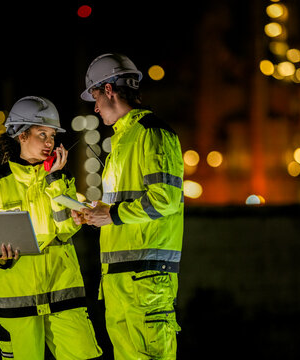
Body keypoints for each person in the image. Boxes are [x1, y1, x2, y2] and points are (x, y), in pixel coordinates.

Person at [0, 96, 102, 360]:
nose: (50, 141)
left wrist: (55, 179)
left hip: (63, 294)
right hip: (17, 301)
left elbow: (65, 230)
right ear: (21, 135)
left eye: (52, 135)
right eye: (42, 133)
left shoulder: (60, 179)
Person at [72, 53, 184, 360]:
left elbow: (166, 199)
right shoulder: (123, 141)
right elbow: (122, 207)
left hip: (146, 280)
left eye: (95, 96)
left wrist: (111, 214)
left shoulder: (152, 133)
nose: (94, 107)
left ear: (109, 90)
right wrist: (97, 211)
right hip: (121, 282)